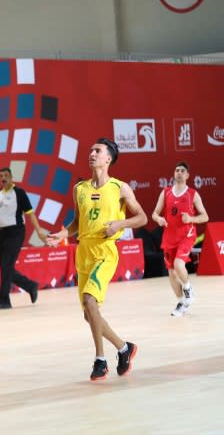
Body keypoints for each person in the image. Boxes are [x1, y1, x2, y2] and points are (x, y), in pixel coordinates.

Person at [47, 138, 147, 381]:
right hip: (83, 252)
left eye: (97, 151)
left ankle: (100, 360)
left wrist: (120, 224)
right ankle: (124, 348)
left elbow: (142, 217)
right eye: (91, 150)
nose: (91, 153)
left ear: (108, 158)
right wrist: (63, 233)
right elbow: (77, 223)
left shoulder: (120, 188)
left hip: (105, 251)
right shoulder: (79, 189)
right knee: (88, 314)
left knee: (91, 301)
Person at [150, 161, 209, 317]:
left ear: (187, 175)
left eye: (182, 170)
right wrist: (159, 219)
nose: (179, 172)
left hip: (186, 235)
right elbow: (154, 213)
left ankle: (188, 288)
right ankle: (181, 302)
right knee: (171, 274)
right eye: (177, 170)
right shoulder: (166, 192)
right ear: (174, 174)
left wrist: (190, 218)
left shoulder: (193, 194)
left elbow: (205, 216)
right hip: (169, 237)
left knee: (178, 264)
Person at [0, 167, 47, 310]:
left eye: (6, 175)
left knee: (6, 266)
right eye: (1, 175)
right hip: (0, 233)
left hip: (16, 232)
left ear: (11, 177)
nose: (3, 178)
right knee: (5, 266)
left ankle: (4, 300)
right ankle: (31, 286)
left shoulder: (19, 193)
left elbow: (30, 213)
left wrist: (39, 230)